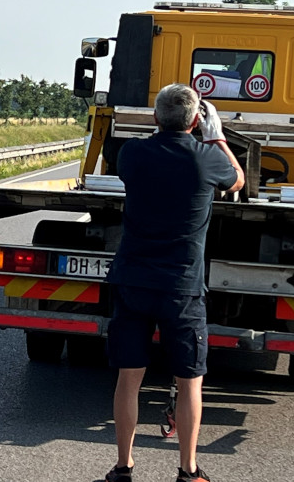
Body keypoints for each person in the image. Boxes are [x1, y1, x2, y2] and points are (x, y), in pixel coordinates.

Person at [100, 83, 245, 482]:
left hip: (133, 281)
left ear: (155, 118)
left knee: (128, 378)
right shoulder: (206, 158)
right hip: (182, 287)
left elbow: (135, 157)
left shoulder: (133, 154)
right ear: (196, 120)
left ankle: (123, 466)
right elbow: (237, 180)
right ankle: (188, 470)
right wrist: (216, 136)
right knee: (190, 381)